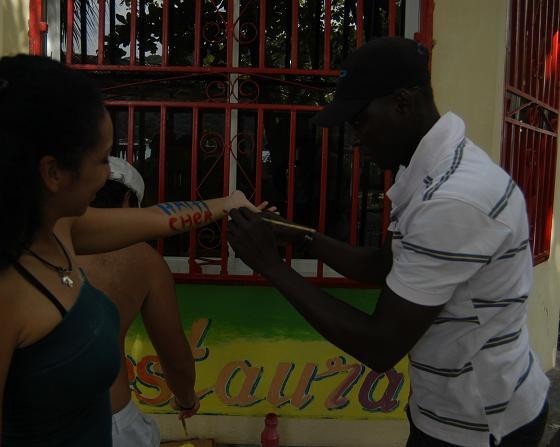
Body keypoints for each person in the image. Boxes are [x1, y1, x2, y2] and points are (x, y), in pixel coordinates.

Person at [0, 54, 259, 447]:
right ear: (53, 173)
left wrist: (228, 203)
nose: (108, 173)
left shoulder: (60, 229)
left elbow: (156, 219)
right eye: (100, 159)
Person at [227, 37, 549, 447]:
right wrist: (296, 234)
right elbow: (383, 265)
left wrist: (272, 267)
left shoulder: (453, 199)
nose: (356, 139)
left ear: (402, 103)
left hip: (481, 425)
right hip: (447, 408)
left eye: (360, 121)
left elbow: (380, 346)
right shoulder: (427, 170)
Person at [79, 157, 199, 446]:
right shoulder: (145, 260)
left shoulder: (35, 244)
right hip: (110, 423)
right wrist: (186, 399)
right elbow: (175, 357)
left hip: (25, 421)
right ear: (128, 203)